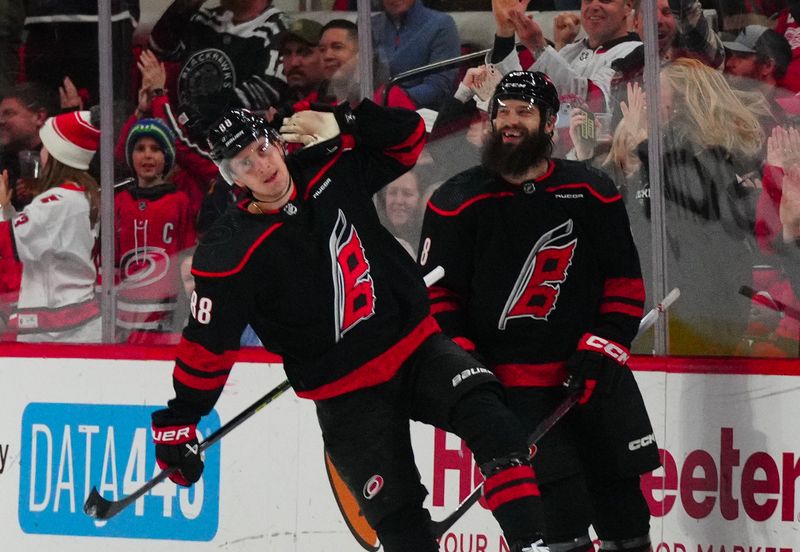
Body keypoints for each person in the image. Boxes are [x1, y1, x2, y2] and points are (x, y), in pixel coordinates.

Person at [149, 101, 550, 552]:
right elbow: (207, 347)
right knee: (398, 519)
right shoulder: (227, 253)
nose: (261, 165)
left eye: (262, 149)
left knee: (494, 420)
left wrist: (346, 118)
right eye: (244, 162)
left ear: (278, 144)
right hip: (346, 395)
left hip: (416, 350)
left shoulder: (329, 168)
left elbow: (409, 139)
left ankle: (532, 544)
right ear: (232, 177)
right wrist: (177, 423)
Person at [417, 70, 659, 552]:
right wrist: (471, 374)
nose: (509, 122)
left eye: (523, 113)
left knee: (627, 519)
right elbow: (439, 300)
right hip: (513, 395)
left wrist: (603, 347)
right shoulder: (454, 202)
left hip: (594, 381)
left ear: (550, 124)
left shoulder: (592, 190)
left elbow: (625, 283)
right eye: (501, 111)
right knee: (559, 529)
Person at [607, 58, 763, 355]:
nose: (648, 99)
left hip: (700, 312)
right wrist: (629, 166)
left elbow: (690, 219)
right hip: (664, 310)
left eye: (658, 90)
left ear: (684, 96)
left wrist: (645, 151)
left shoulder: (711, 156)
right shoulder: (662, 153)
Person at [0, 110, 101, 342]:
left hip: (53, 328)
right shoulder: (86, 195)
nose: (41, 153)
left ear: (59, 154)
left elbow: (7, 242)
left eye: (45, 147)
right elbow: (37, 237)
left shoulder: (56, 203)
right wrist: (7, 209)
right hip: (77, 318)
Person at [115, 118, 197, 345]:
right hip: (124, 313)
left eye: (156, 149)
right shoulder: (119, 202)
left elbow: (187, 255)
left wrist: (184, 307)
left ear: (167, 156)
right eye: (140, 149)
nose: (148, 156)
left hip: (166, 311)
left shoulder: (180, 201)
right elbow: (110, 258)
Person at [148, 0, 288, 127]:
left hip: (238, 142)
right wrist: (186, 4)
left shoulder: (277, 28)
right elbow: (160, 49)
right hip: (184, 135)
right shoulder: (204, 19)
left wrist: (192, 118)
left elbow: (262, 95)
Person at [22, 1, 139, 107]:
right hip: (43, 26)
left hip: (109, 22)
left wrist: (129, 17)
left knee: (112, 114)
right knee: (43, 113)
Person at [371, 0, 461, 110]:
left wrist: (394, 98)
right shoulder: (370, 25)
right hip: (374, 108)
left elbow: (439, 85)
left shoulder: (442, 24)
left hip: (422, 112)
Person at [0, 82, 59, 210]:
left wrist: (42, 193)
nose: (1, 121)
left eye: (8, 113)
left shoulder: (62, 158)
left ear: (39, 117)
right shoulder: (4, 162)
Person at [376, 169, 425, 256]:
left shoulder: (427, 242)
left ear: (420, 199)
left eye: (407, 194)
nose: (399, 201)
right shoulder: (373, 236)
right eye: (392, 193)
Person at [278, 18, 326, 106]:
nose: (294, 63)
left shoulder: (340, 106)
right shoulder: (280, 104)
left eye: (305, 53)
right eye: (287, 53)